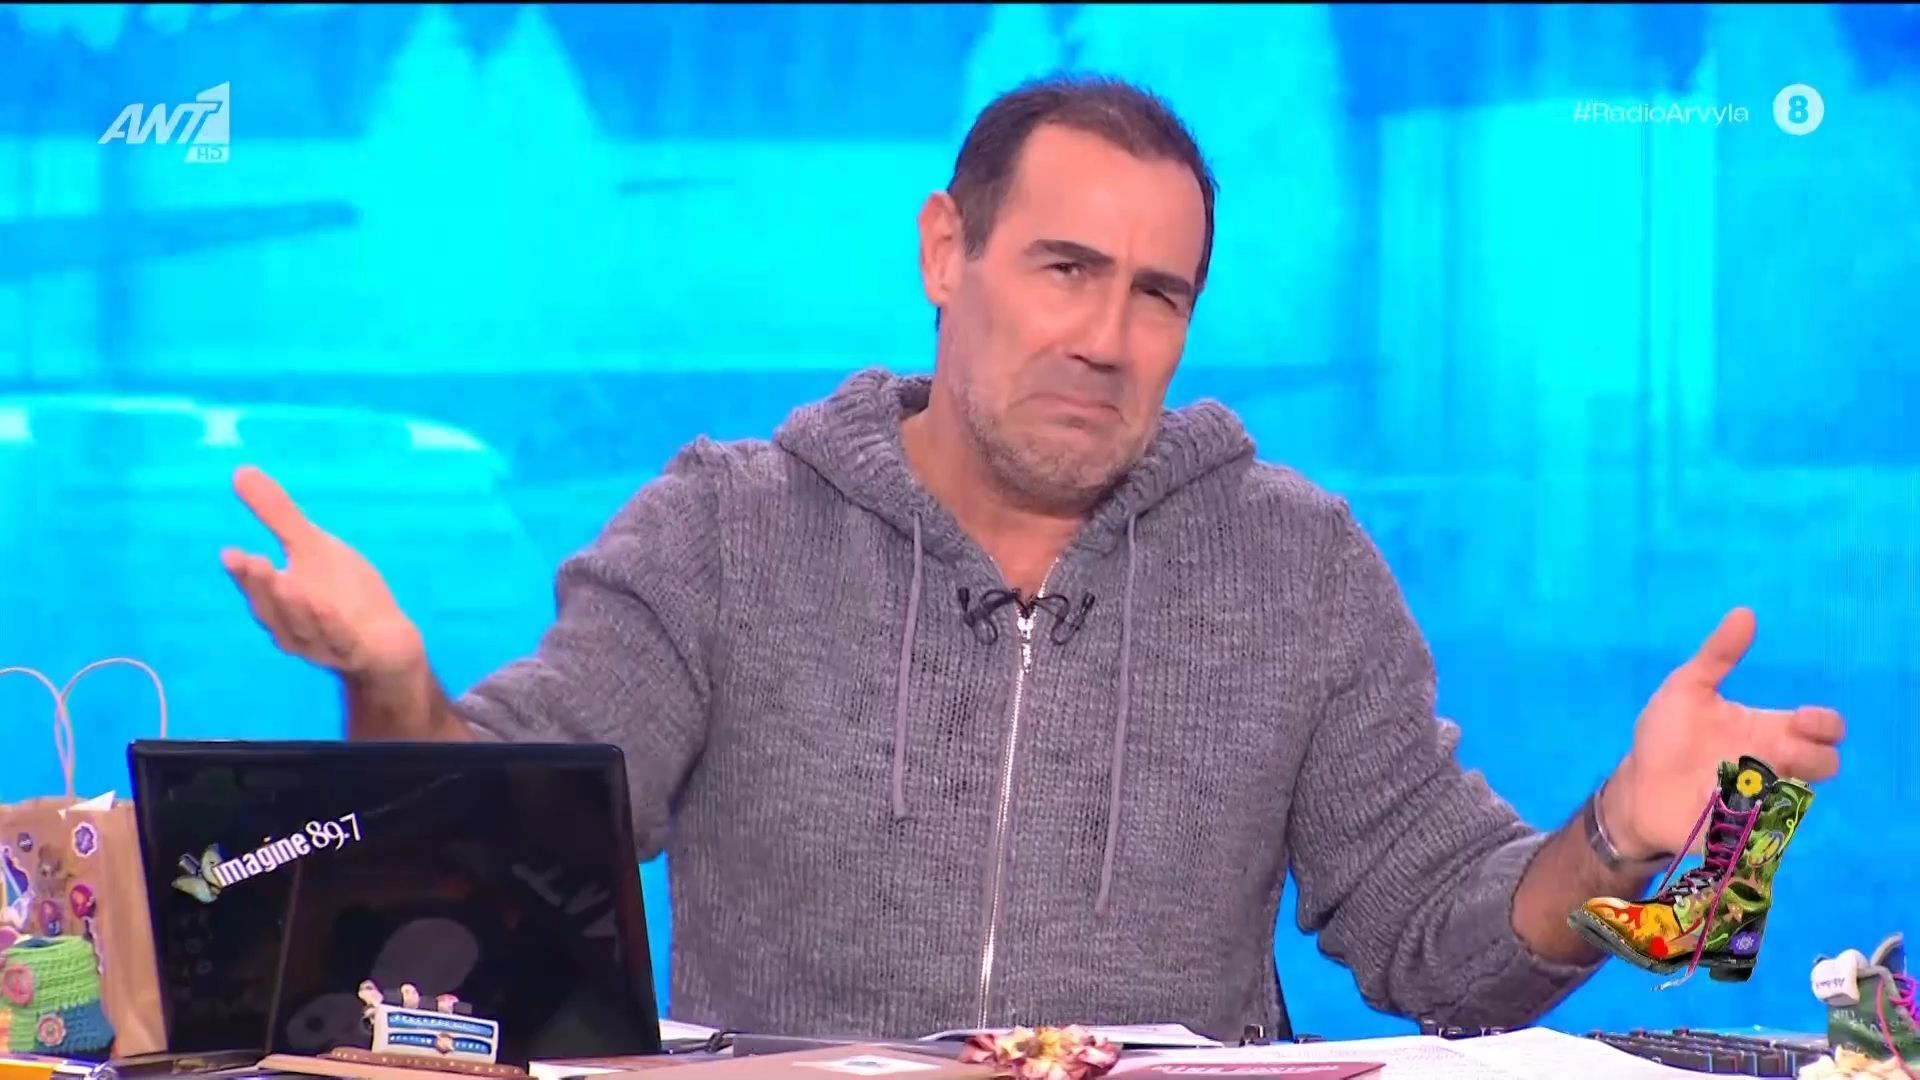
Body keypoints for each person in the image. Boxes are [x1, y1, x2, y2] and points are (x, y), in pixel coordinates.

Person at [219, 74, 1845, 1041]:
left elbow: (1452, 945)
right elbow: (484, 869)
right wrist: (393, 683)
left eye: (1157, 294)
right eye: (1066, 269)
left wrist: (1626, 841)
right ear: (949, 251)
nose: (1107, 337)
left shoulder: (1294, 566)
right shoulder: (726, 531)